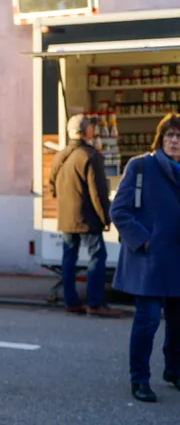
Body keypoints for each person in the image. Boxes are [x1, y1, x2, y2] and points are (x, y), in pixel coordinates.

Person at [110, 114, 180, 403]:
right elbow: (119, 210)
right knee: (147, 321)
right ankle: (139, 378)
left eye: (179, 136)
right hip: (149, 261)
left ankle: (174, 371)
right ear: (160, 139)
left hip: (177, 261)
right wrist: (144, 240)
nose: (174, 141)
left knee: (178, 324)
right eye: (169, 135)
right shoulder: (141, 166)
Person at [48, 114, 121, 318]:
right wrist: (105, 218)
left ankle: (71, 301)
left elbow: (52, 186)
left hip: (66, 217)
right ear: (85, 131)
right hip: (87, 217)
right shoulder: (90, 156)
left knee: (69, 259)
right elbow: (97, 192)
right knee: (97, 256)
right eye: (90, 127)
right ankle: (95, 303)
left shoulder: (60, 155)